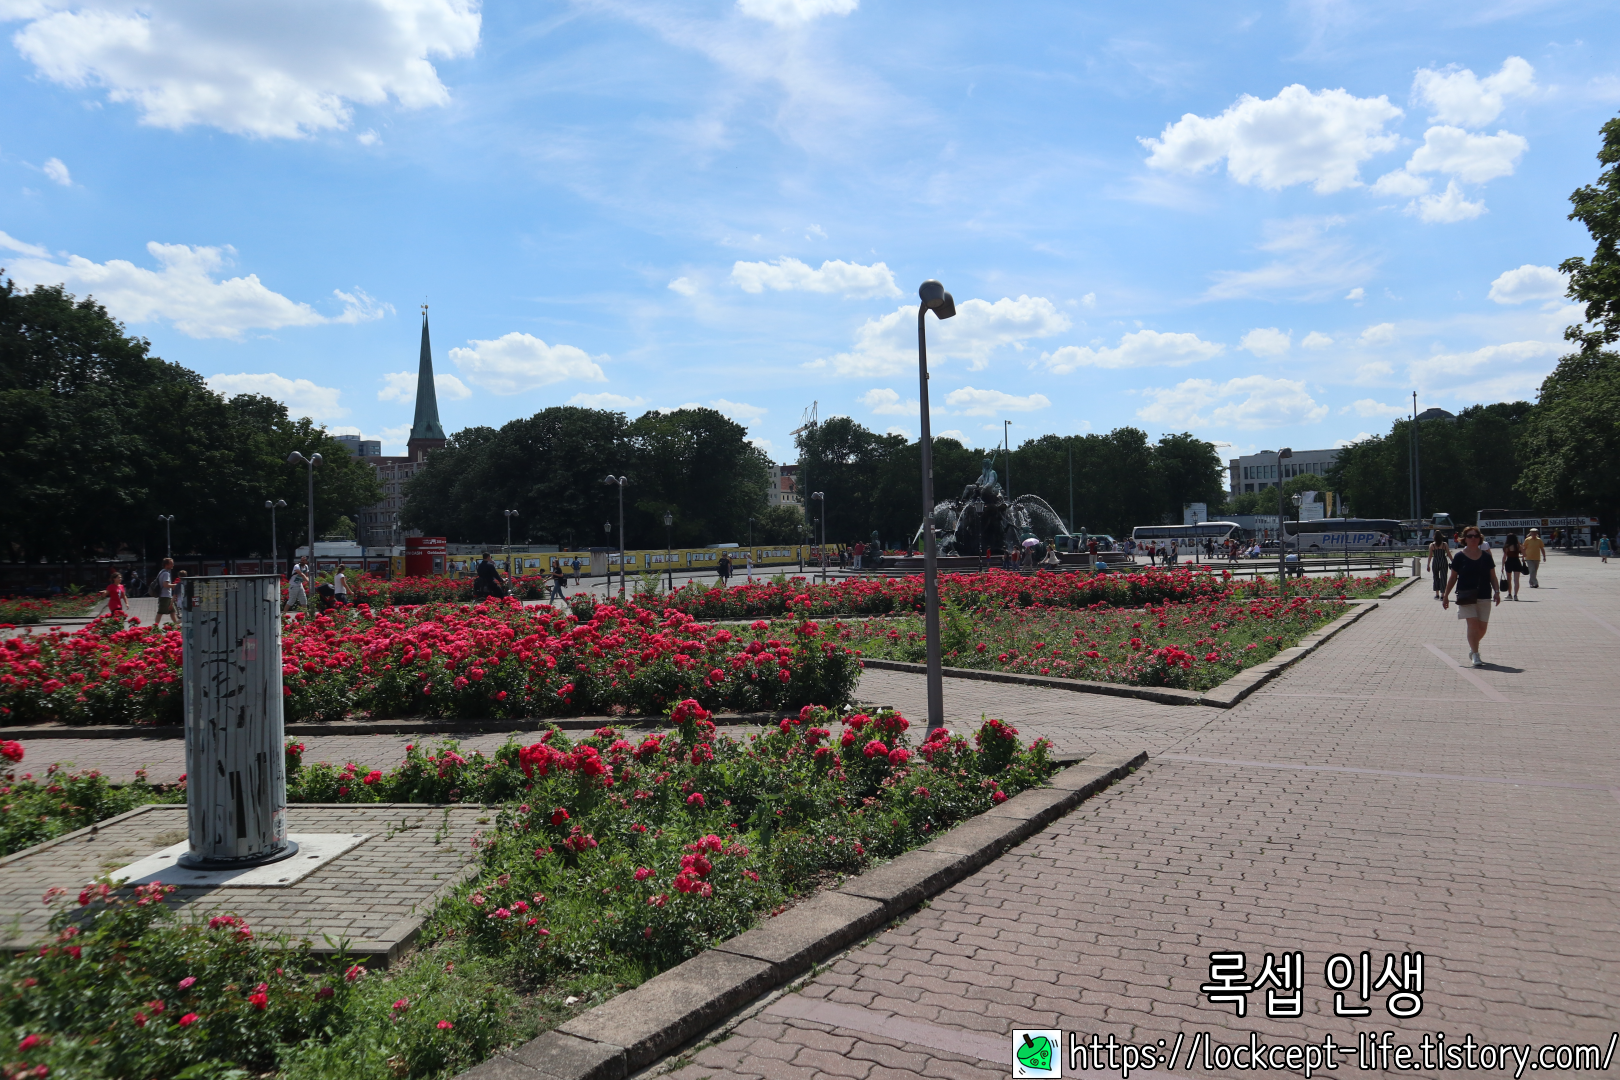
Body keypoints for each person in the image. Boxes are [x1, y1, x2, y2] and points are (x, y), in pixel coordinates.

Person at [1442, 525, 1501, 669]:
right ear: (1465, 539)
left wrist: (1497, 591)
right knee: (1473, 624)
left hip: (1484, 595)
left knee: (1482, 628)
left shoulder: (1486, 557)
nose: (1473, 538)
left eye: (1476, 536)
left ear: (1480, 539)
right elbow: (1453, 577)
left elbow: (1493, 577)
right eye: (1470, 536)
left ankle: (1472, 646)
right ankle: (1475, 653)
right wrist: (1445, 595)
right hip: (1466, 595)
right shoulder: (1459, 557)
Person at [154, 558, 178, 628]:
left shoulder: (161, 572)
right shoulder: (166, 573)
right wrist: (175, 585)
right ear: (166, 565)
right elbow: (165, 585)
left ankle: (177, 626)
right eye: (171, 563)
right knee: (160, 612)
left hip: (166, 595)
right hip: (165, 595)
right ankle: (155, 627)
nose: (173, 565)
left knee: (172, 611)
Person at [1427, 531, 1450, 599]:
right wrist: (1453, 561)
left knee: (1436, 577)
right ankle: (1442, 594)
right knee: (1444, 578)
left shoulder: (1432, 545)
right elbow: (1448, 554)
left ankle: (1437, 594)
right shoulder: (1444, 544)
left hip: (1435, 561)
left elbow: (1430, 556)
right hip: (1443, 561)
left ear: (1434, 537)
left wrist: (1428, 565)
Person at [1501, 534, 1524, 600]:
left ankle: (1509, 594)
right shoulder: (1518, 546)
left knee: (1509, 579)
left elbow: (1504, 557)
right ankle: (1515, 595)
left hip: (1509, 562)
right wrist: (1518, 556)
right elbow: (1525, 554)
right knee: (1516, 580)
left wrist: (1502, 566)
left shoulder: (1507, 546)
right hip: (1517, 562)